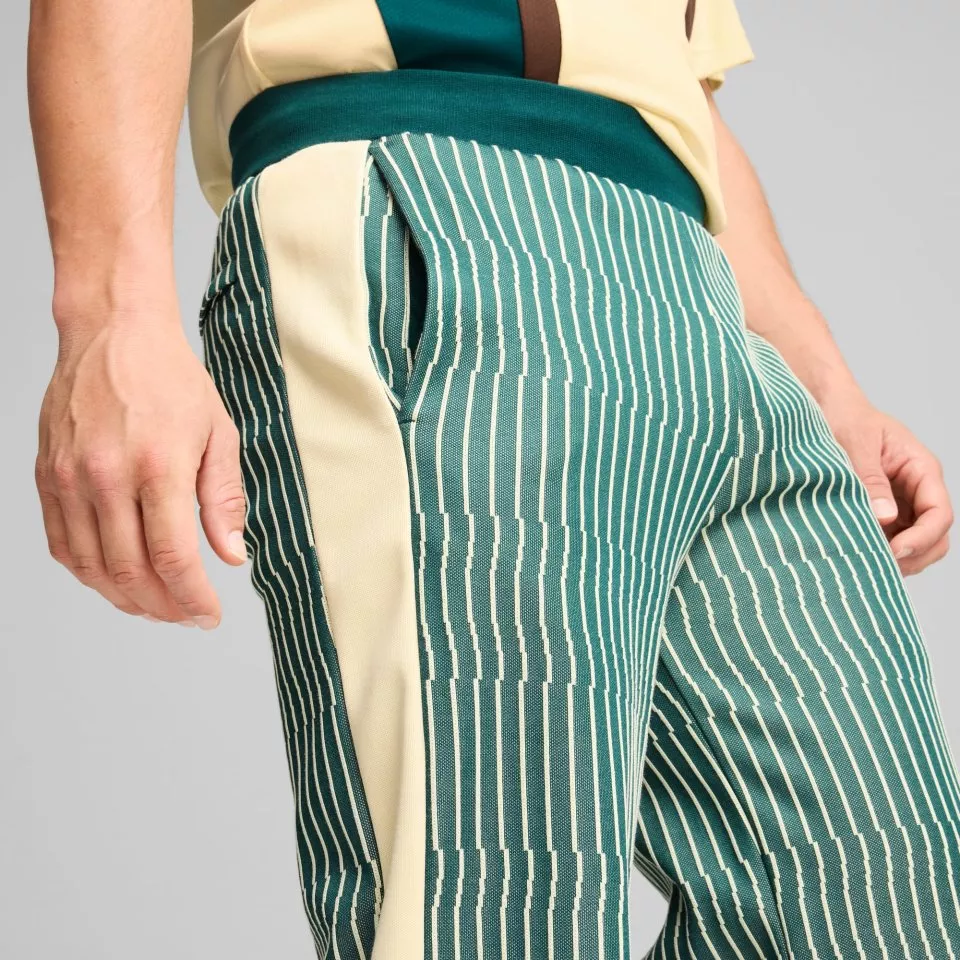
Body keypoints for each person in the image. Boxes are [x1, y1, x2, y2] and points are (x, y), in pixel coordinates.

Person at [27, 0, 959, 957]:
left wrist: (828, 384)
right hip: (434, 199)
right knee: (492, 898)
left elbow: (677, 92)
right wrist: (109, 315)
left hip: (696, 284)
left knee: (874, 891)